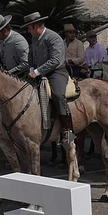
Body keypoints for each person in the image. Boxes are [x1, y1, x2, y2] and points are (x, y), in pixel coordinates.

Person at [20, 11, 72, 144]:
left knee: (58, 95)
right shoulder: (34, 38)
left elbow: (55, 60)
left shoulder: (53, 37)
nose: (28, 31)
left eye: (29, 28)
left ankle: (67, 131)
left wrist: (37, 72)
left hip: (56, 72)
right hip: (38, 72)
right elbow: (31, 55)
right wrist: (32, 69)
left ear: (36, 26)